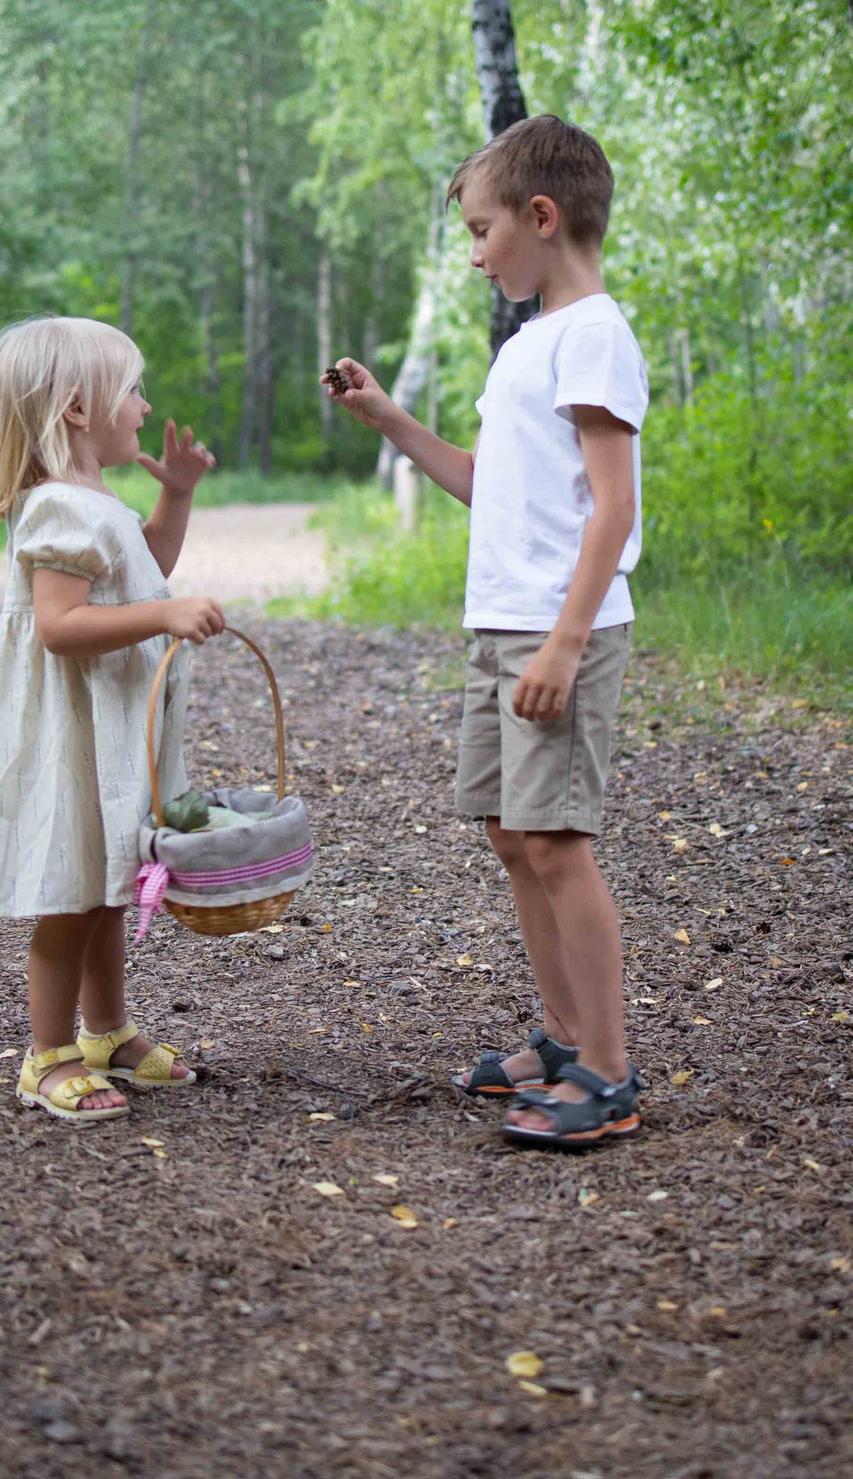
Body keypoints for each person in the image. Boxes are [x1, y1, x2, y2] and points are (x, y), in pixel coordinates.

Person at [325, 115, 650, 1148]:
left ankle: (607, 1072)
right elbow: (487, 482)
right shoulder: (535, 342)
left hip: (557, 633)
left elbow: (613, 508)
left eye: (479, 230)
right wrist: (391, 421)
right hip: (502, 625)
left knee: (557, 843)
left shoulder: (593, 333)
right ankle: (561, 1042)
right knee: (513, 836)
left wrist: (562, 644)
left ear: (541, 217)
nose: (471, 255)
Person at [0, 316, 224, 1123]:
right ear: (77, 408)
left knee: (108, 883)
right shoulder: (57, 508)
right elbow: (60, 627)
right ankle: (48, 1054)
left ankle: (108, 1031)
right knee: (70, 893)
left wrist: (176, 495)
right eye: (131, 389)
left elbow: (147, 567)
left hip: (111, 731)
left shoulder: (94, 502)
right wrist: (166, 616)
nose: (143, 406)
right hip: (72, 734)